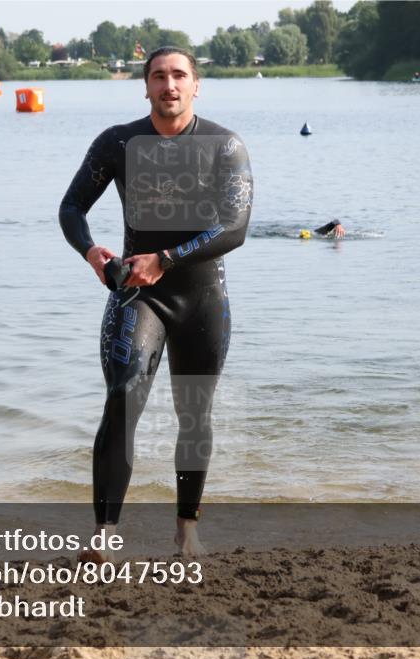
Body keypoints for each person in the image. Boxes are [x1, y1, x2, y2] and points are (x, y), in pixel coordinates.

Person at [58, 46, 253, 560]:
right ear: (145, 87)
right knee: (122, 398)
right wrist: (92, 252)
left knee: (195, 414)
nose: (170, 84)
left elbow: (234, 228)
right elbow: (72, 207)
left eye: (179, 76)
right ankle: (104, 535)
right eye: (159, 76)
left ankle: (187, 529)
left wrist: (165, 258)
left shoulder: (223, 145)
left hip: (202, 297)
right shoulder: (119, 143)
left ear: (196, 85)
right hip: (138, 295)